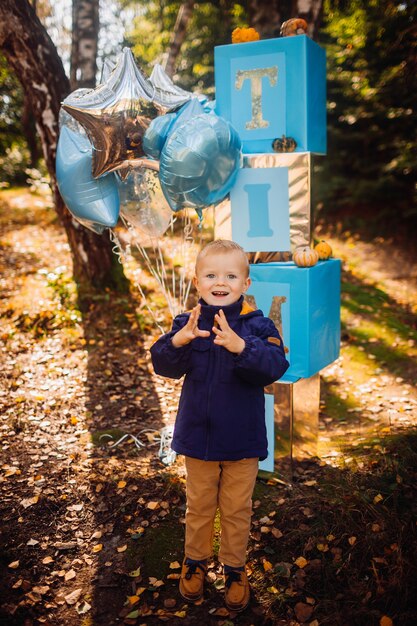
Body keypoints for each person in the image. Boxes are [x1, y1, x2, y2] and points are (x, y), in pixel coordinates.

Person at [150, 239, 289, 612]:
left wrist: (241, 347)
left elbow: (276, 365)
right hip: (197, 439)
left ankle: (234, 567)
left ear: (245, 284)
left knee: (236, 509)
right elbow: (163, 365)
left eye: (230, 275)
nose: (220, 281)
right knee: (198, 507)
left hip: (242, 442)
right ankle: (194, 561)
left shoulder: (259, 326)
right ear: (198, 282)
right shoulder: (188, 322)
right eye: (211, 275)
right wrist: (179, 339)